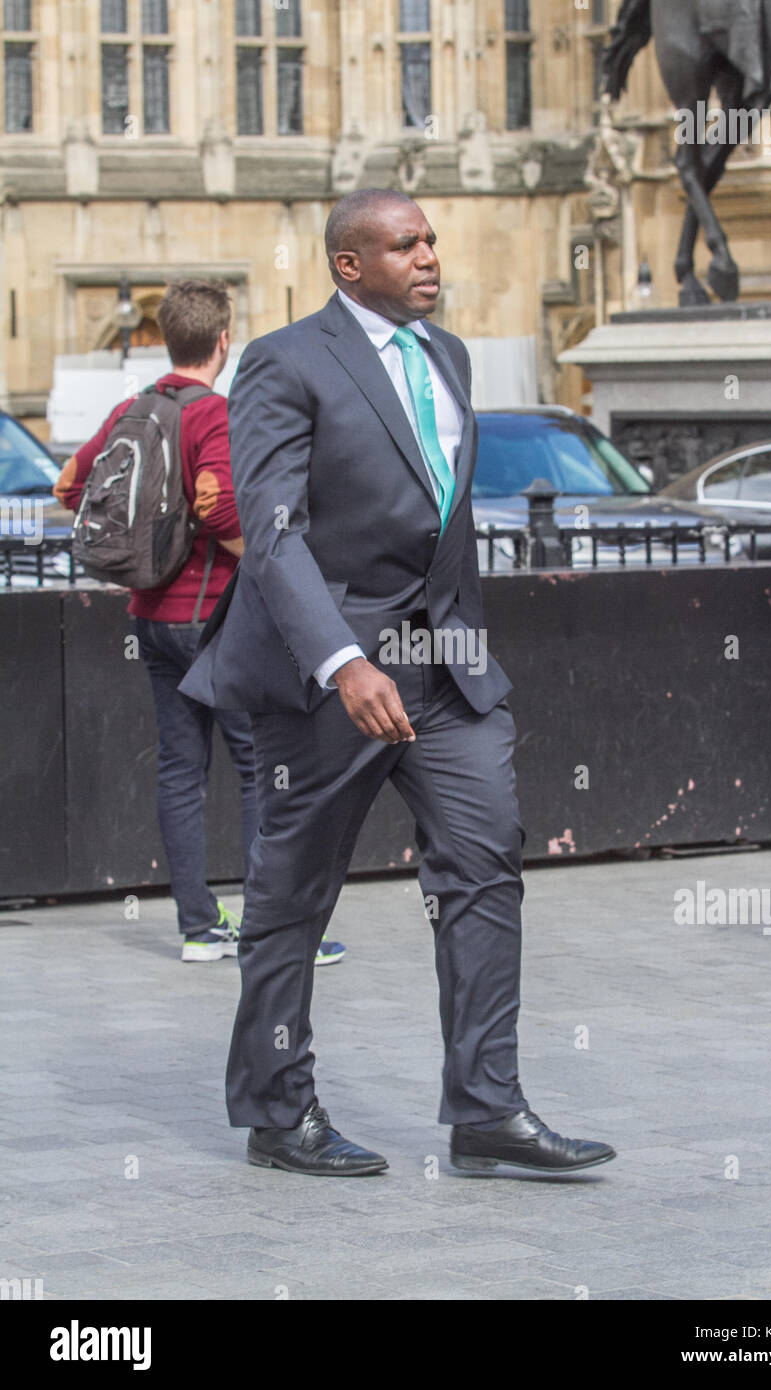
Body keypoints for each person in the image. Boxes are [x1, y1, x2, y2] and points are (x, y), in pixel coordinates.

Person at [179, 189, 617, 1177]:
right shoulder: (285, 362)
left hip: (447, 670)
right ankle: (275, 1109)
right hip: (329, 675)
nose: (427, 255)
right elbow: (273, 533)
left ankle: (486, 1110)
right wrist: (341, 659)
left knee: (483, 864)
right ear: (348, 264)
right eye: (403, 244)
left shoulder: (446, 355)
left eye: (429, 239)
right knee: (293, 895)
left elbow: (443, 517)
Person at [53, 278, 345, 967]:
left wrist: (147, 541)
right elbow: (218, 509)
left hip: (149, 617)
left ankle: (197, 928)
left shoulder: (135, 407)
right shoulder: (214, 413)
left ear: (165, 336)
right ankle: (267, 931)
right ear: (223, 341)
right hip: (213, 619)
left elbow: (69, 482)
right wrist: (273, 568)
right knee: (256, 766)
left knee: (181, 769)